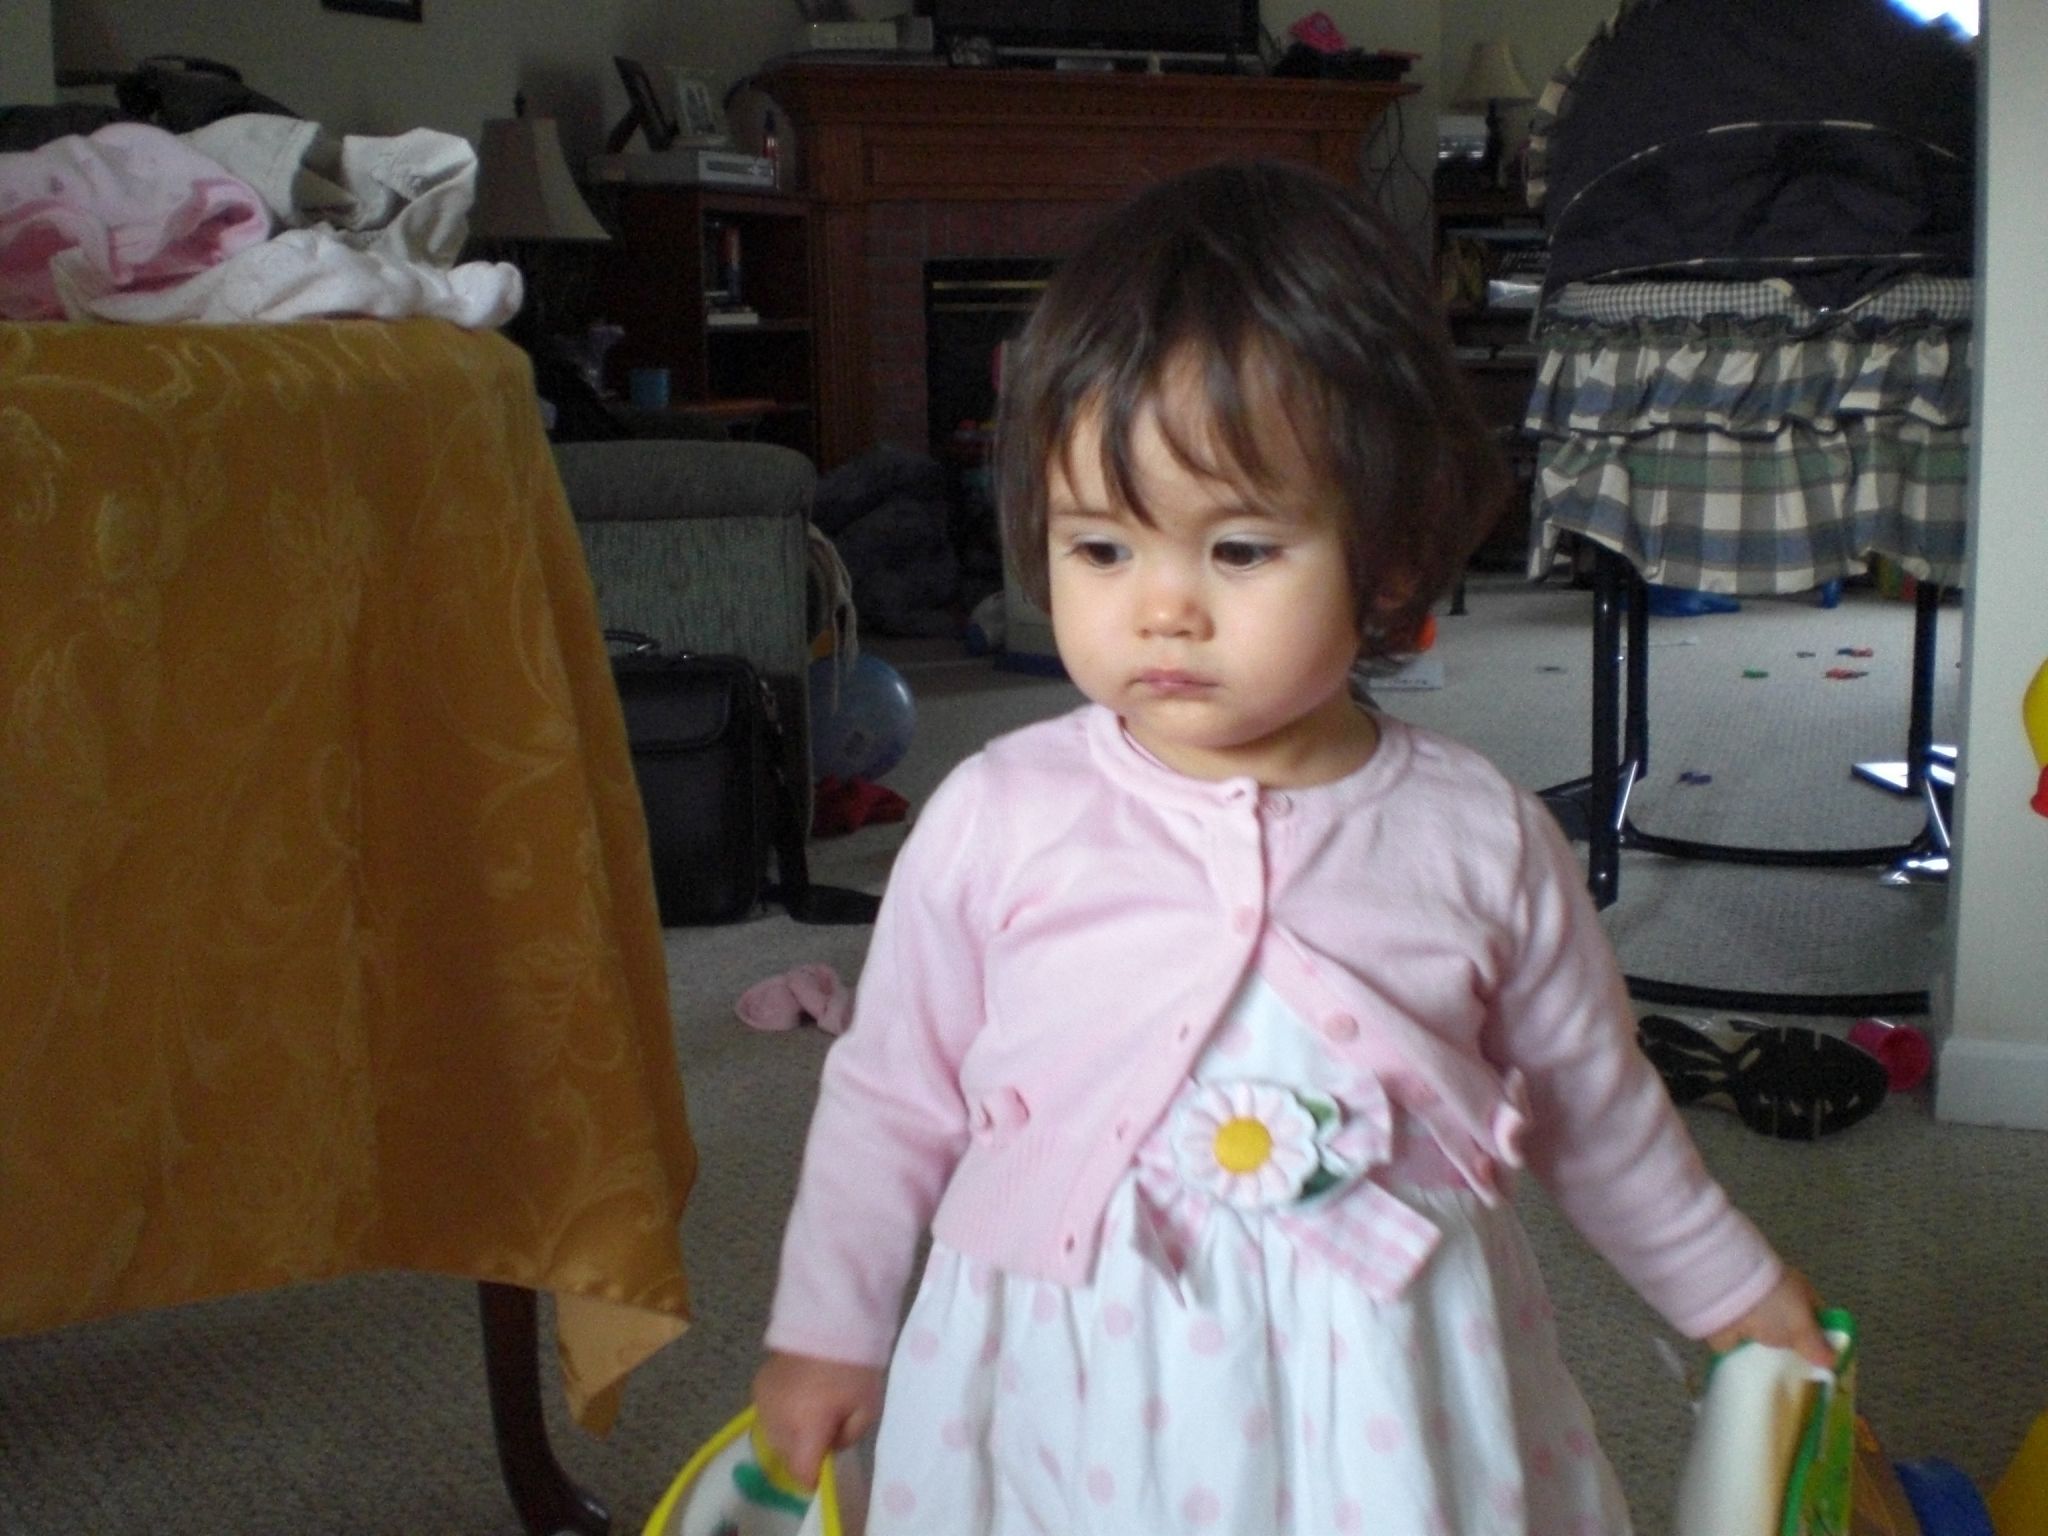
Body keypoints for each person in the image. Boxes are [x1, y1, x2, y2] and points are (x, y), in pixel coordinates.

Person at [753, 159, 1831, 1535]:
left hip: (1385, 1382)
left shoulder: (1478, 837)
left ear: (1390, 563)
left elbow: (1592, 1105)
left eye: (1240, 550)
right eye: (1102, 550)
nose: (1163, 610)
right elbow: (892, 1095)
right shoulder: (995, 815)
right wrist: (828, 1328)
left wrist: (1730, 1290)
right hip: (1067, 1382)